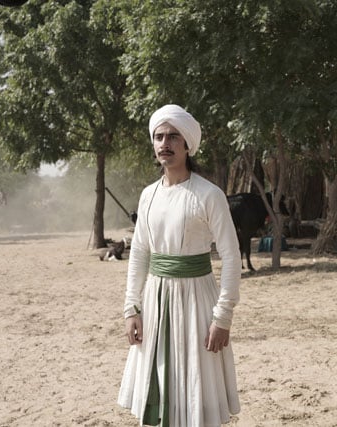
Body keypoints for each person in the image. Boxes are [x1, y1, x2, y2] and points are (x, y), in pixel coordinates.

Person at [118, 104, 241, 426]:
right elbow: (139, 252)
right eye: (159, 136)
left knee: (196, 383)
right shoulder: (148, 195)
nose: (165, 143)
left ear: (187, 144)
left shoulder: (209, 195)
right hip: (155, 302)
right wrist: (132, 308)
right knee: (159, 381)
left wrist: (223, 316)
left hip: (197, 302)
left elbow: (231, 255)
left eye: (173, 136)